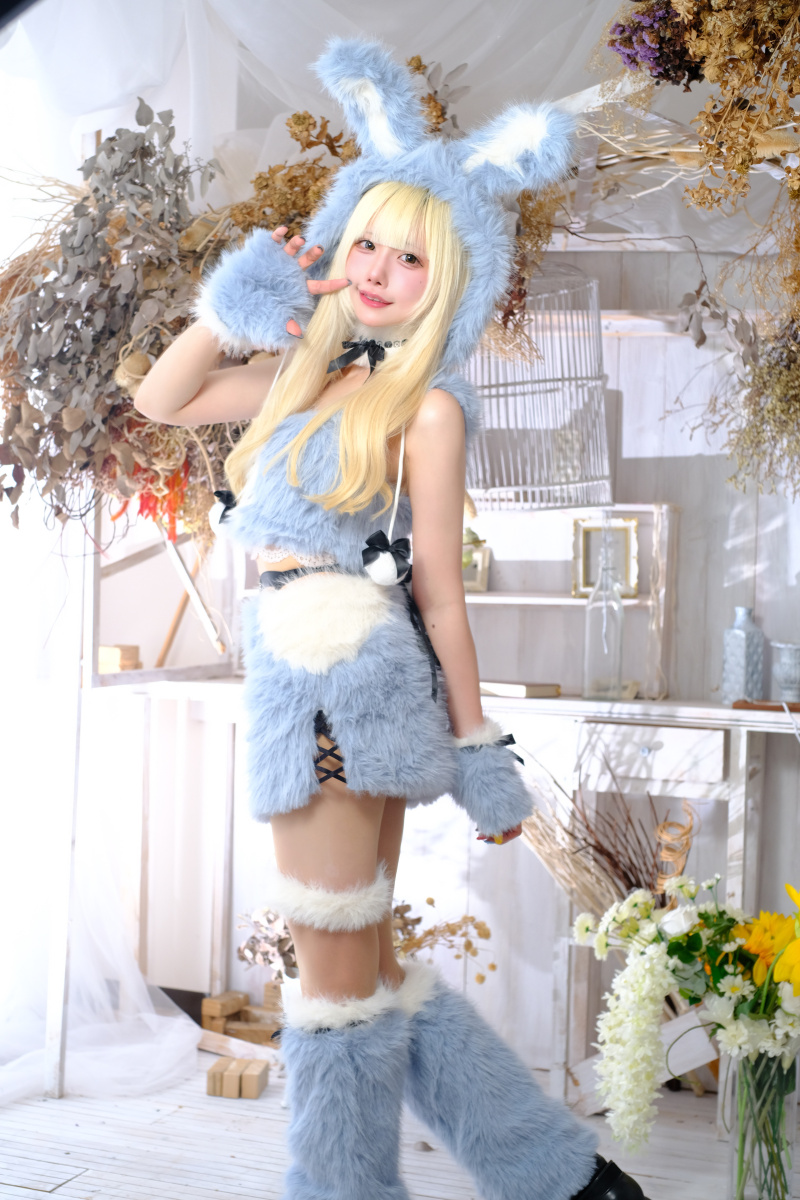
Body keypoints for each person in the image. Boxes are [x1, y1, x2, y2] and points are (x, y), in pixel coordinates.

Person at [135, 37, 648, 1200]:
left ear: (448, 279)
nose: (376, 270)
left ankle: (343, 1191)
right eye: (364, 239)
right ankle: (562, 1178)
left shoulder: (427, 410)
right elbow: (164, 398)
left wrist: (478, 749)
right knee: (360, 969)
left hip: (336, 679)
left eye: (410, 257)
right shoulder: (302, 377)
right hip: (314, 675)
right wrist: (244, 297)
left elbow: (439, 593)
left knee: (329, 984)